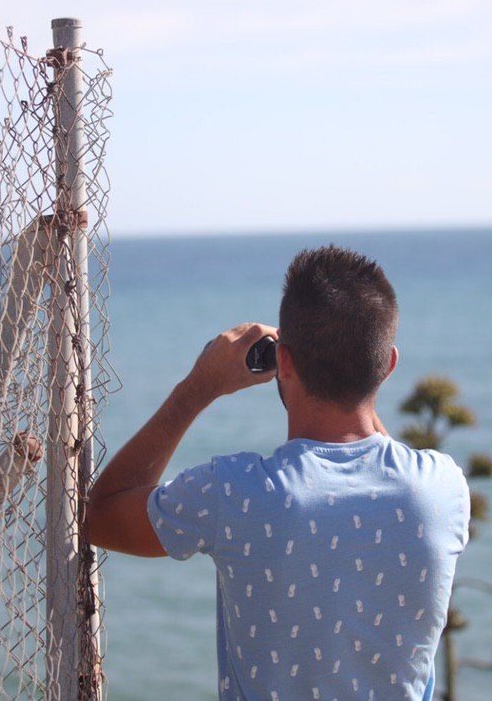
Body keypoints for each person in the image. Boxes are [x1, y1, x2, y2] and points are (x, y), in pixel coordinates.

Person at [85, 245, 470, 700]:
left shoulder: (236, 494)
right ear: (387, 367)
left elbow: (99, 515)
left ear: (282, 362)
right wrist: (359, 374)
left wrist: (199, 387)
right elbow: (378, 445)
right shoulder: (443, 489)